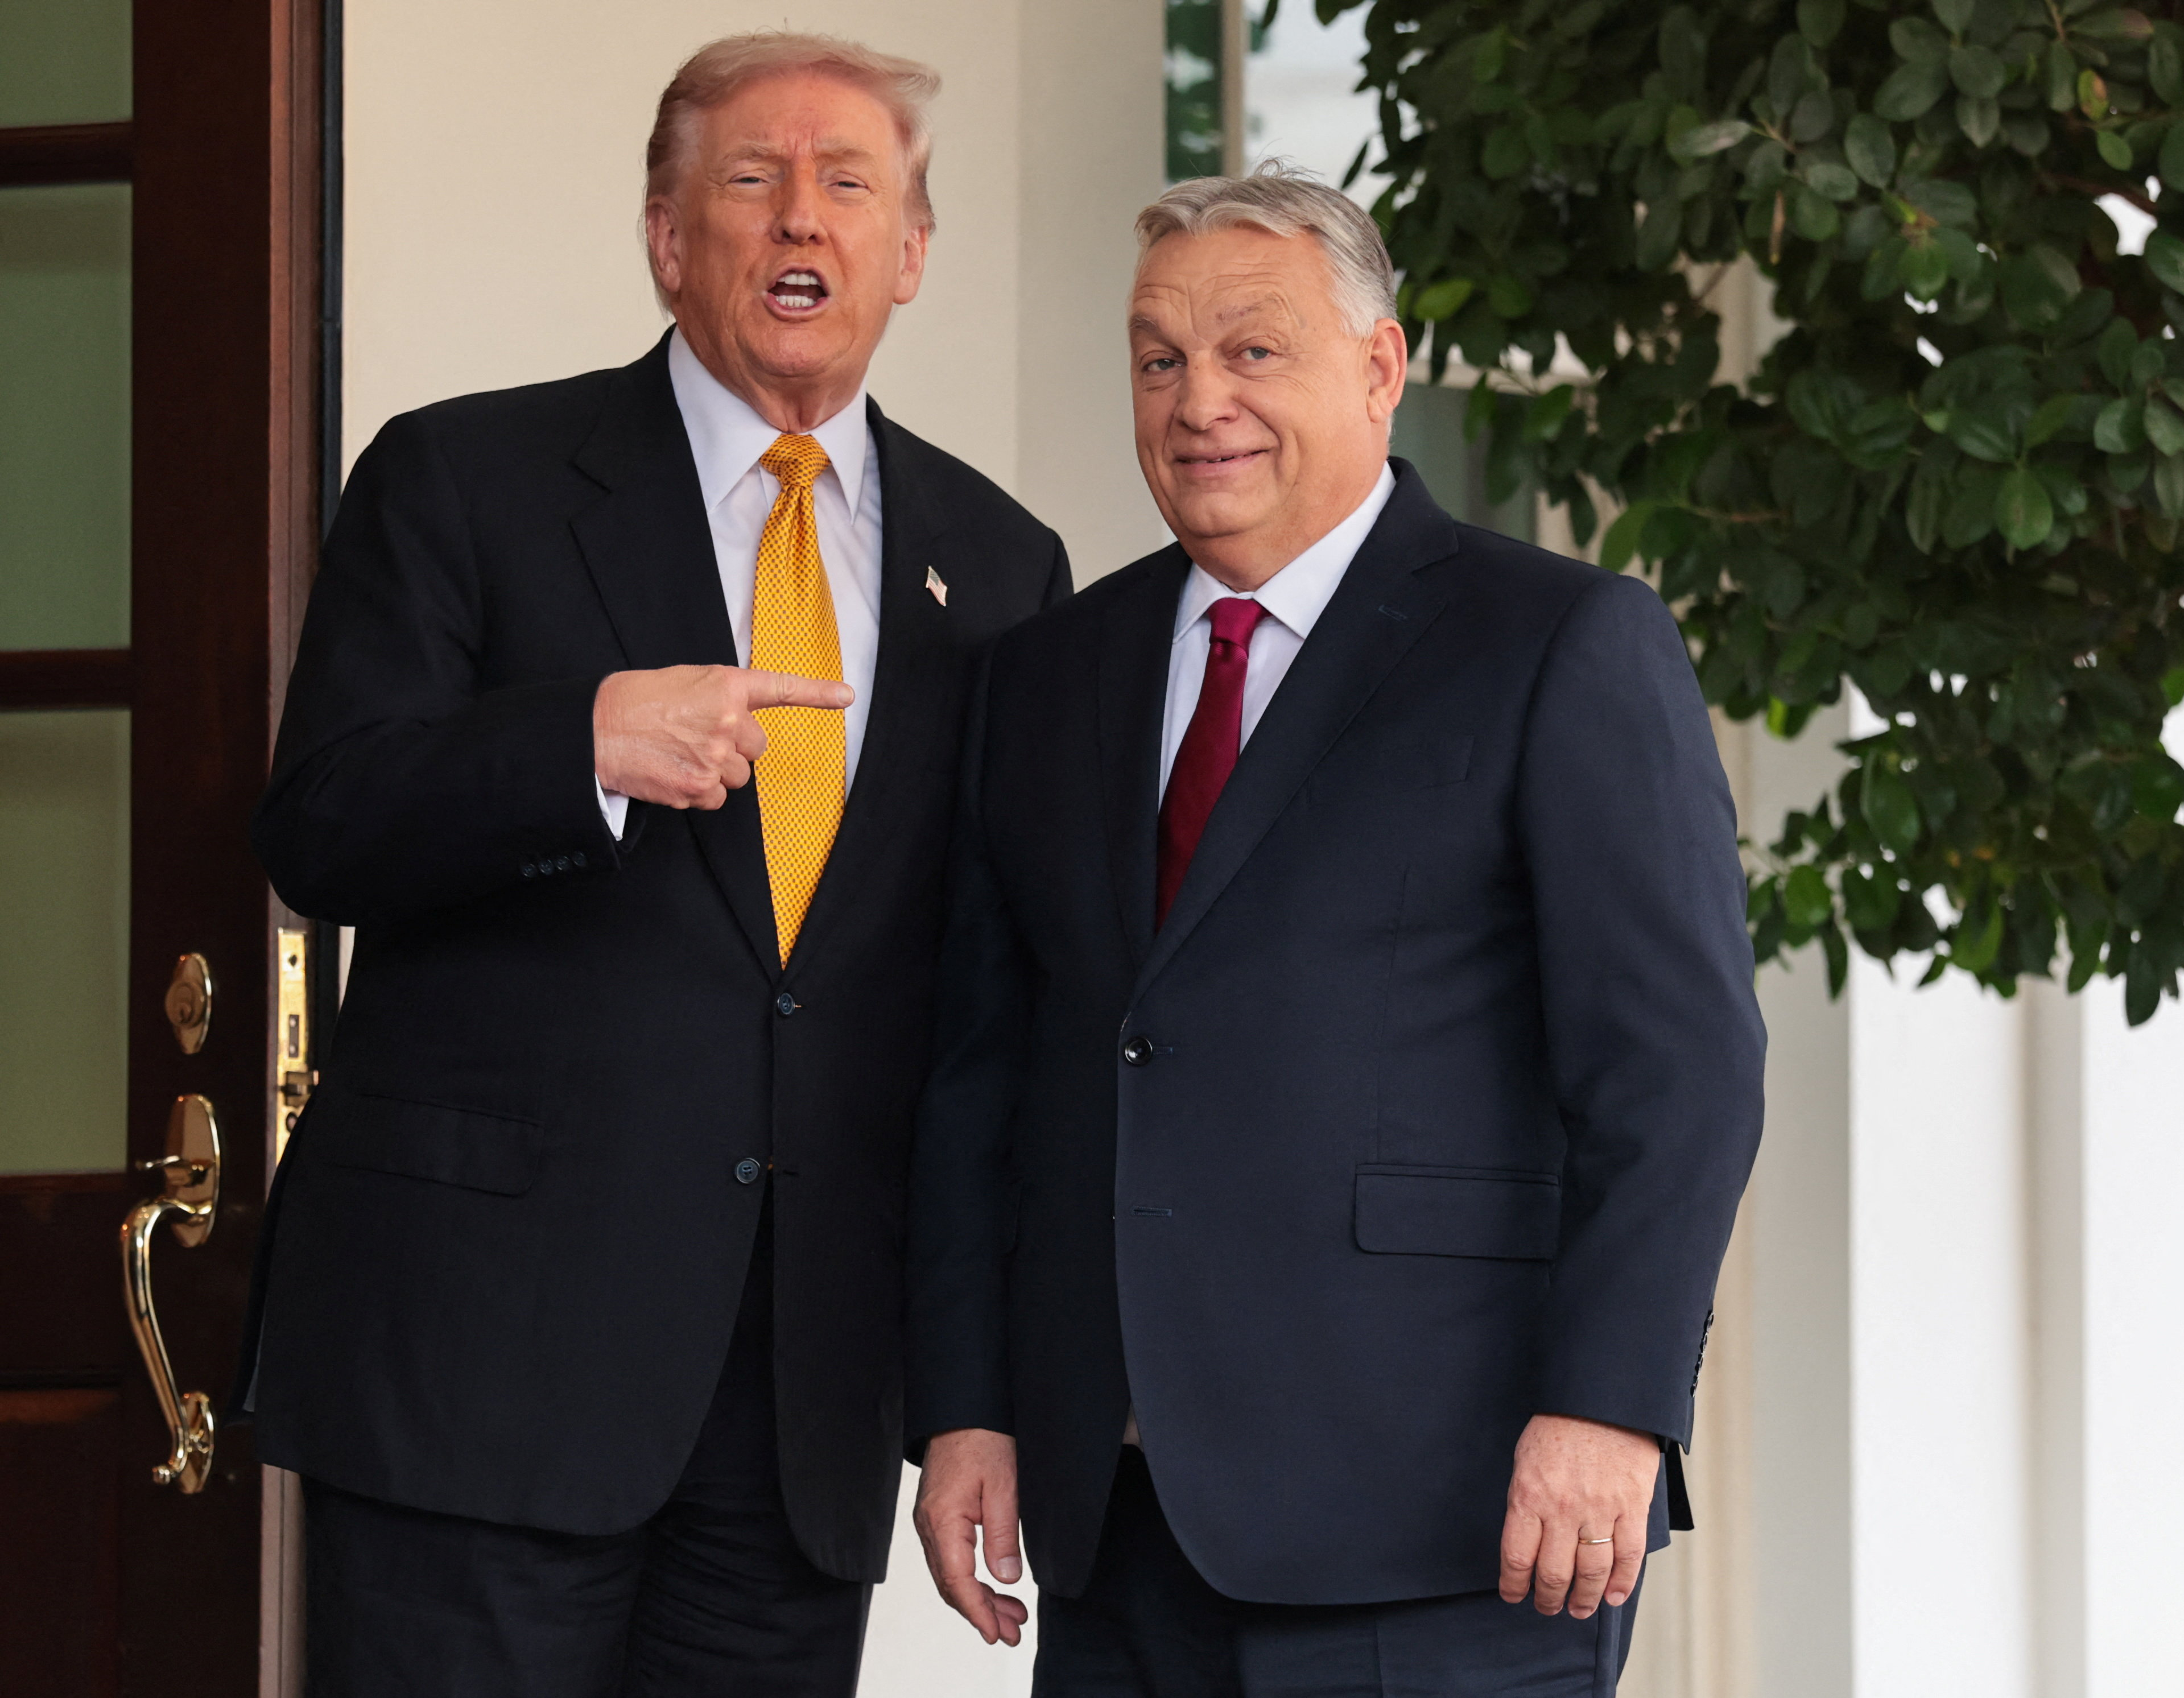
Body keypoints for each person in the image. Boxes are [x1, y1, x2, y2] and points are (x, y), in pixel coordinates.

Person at [243, 32, 1068, 1696]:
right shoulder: (463, 478)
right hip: (481, 1379)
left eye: (851, 187)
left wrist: (975, 1384)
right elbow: (319, 821)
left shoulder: (998, 566)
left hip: (800, 1407)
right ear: (664, 233)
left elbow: (995, 1008)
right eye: (752, 182)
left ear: (913, 253)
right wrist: (580, 744)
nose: (801, 226)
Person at [904, 166, 1766, 1697]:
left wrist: (1614, 1406)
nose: (1197, 399)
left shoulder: (1558, 642)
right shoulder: (1046, 674)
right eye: (1159, 357)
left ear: (1381, 369)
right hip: (1122, 1531)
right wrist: (966, 1402)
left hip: (1454, 1522)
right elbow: (988, 1074)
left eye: (1252, 349)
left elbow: (1680, 1069)